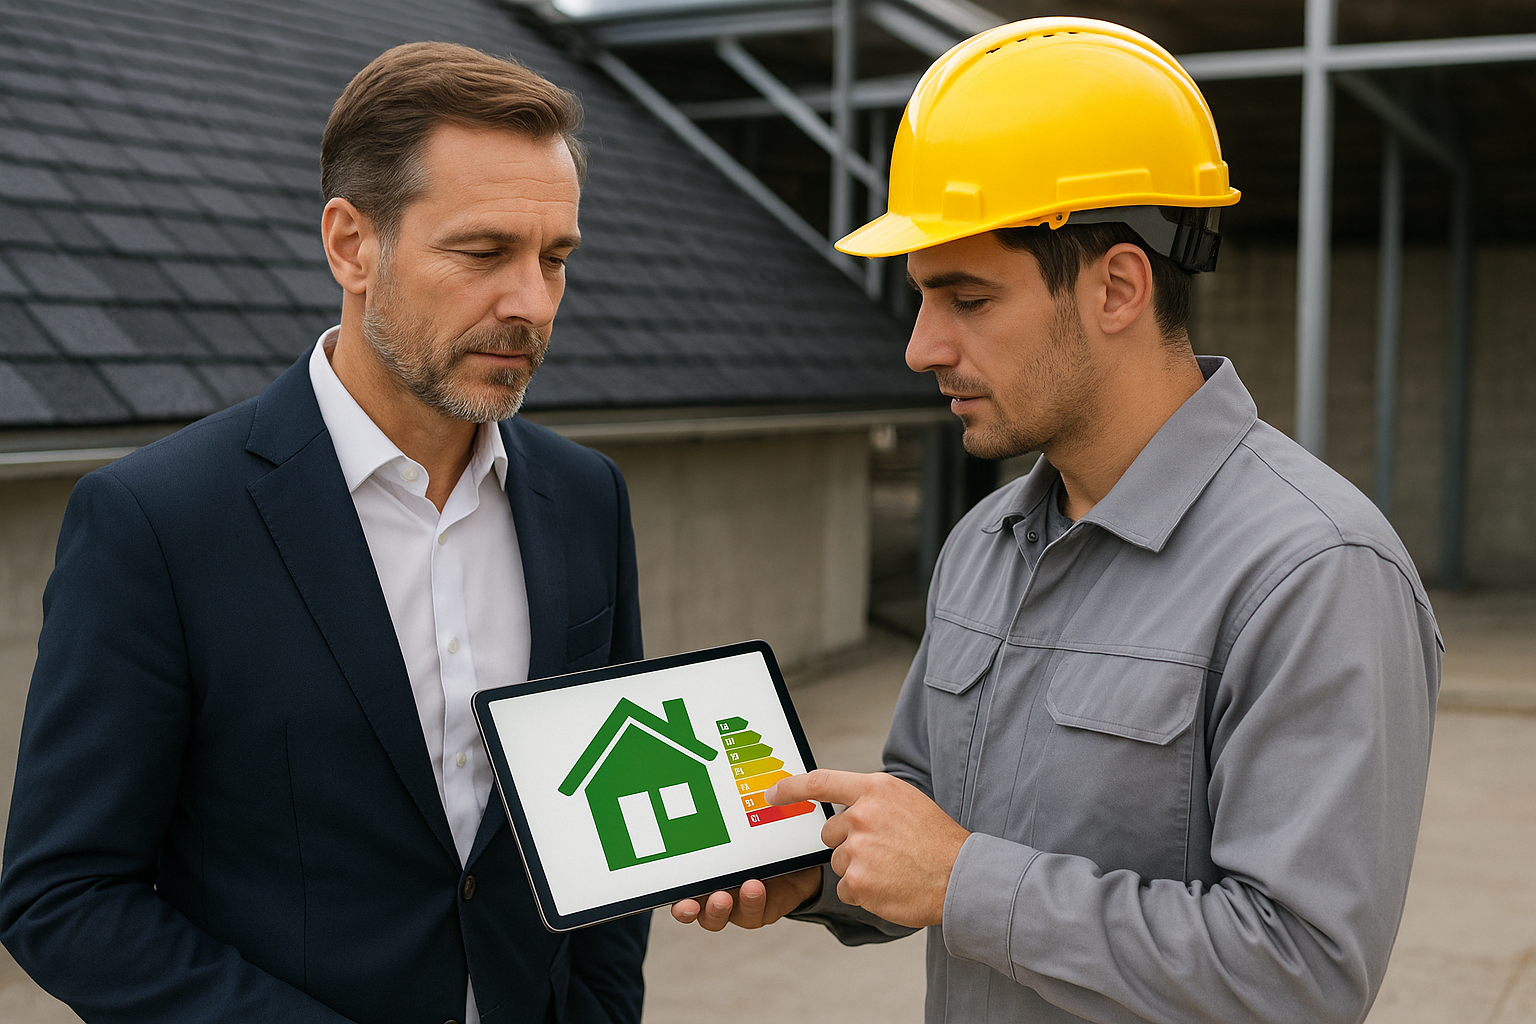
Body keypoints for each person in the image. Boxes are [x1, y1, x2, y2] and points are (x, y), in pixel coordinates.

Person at [672, 17, 1441, 1024]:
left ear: (1117, 285)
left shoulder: (1313, 573)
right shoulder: (984, 545)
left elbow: (1298, 974)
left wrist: (964, 881)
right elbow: (927, 826)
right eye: (922, 298)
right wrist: (819, 871)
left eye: (967, 298)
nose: (919, 347)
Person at [0, 42, 647, 1024]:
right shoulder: (156, 521)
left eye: (555, 258)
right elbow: (64, 895)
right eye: (483, 252)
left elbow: (603, 834)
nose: (532, 302)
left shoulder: (586, 495)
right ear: (351, 244)